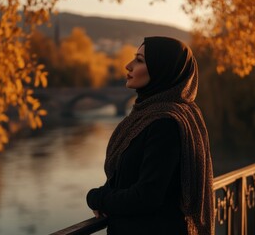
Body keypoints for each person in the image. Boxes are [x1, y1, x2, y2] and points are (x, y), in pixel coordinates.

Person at [86, 36, 214, 235]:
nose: (128, 66)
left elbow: (145, 197)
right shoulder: (148, 116)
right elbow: (127, 178)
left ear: (163, 69)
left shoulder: (165, 123)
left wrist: (96, 197)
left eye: (139, 60)